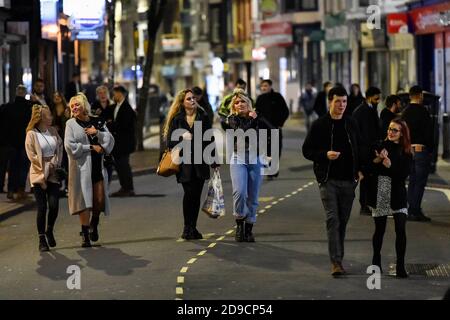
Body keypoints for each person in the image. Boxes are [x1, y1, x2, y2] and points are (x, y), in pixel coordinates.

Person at [302, 86, 364, 276]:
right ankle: (336, 262)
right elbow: (307, 151)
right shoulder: (319, 125)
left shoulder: (351, 123)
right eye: (338, 101)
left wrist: (360, 170)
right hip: (327, 180)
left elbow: (359, 147)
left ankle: (339, 257)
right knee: (333, 220)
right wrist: (324, 155)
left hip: (349, 181)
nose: (342, 105)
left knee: (342, 222)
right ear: (330, 101)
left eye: (344, 101)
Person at [163, 89, 217, 240]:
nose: (192, 101)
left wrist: (214, 161)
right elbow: (169, 142)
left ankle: (193, 227)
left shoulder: (203, 116)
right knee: (189, 194)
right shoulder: (177, 119)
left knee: (196, 195)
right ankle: (187, 227)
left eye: (193, 98)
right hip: (184, 163)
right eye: (188, 99)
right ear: (182, 102)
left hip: (200, 162)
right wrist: (182, 137)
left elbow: (209, 139)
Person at [65, 93, 115, 247]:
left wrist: (97, 133)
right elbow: (69, 146)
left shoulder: (97, 121)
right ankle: (85, 235)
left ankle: (94, 222)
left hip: (97, 167)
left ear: (84, 105)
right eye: (72, 106)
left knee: (99, 201)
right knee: (84, 203)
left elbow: (110, 140)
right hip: (81, 169)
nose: (74, 108)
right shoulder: (70, 124)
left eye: (76, 104)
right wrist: (90, 147)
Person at [367, 118, 411, 278]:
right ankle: (376, 260)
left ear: (402, 133)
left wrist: (390, 165)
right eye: (390, 129)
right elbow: (369, 169)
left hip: (398, 191)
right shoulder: (379, 146)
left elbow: (403, 175)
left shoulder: (406, 151)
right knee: (380, 229)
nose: (391, 132)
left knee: (401, 229)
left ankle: (400, 265)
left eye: (395, 130)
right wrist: (378, 160)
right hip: (382, 188)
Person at [226, 91, 272, 242]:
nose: (240, 105)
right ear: (234, 106)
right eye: (237, 103)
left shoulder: (258, 118)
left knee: (253, 197)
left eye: (242, 102)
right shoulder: (232, 119)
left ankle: (249, 228)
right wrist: (253, 120)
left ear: (248, 104)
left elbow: (271, 131)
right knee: (239, 193)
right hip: (238, 158)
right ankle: (239, 223)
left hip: (255, 158)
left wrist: (268, 151)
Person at [25, 105, 63, 252]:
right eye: (48, 116)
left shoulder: (53, 131)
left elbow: (59, 147)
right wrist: (44, 168)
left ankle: (49, 230)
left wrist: (55, 162)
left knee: (54, 205)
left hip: (53, 172)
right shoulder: (31, 134)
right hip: (38, 174)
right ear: (40, 117)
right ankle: (41, 239)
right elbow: (32, 156)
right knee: (42, 207)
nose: (51, 118)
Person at [401, 85, 433, 222]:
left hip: (408, 150)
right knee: (420, 181)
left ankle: (411, 209)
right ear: (420, 95)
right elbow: (429, 132)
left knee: (412, 180)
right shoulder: (423, 111)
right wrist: (430, 149)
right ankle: (415, 210)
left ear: (409, 96)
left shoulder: (405, 112)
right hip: (421, 150)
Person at [352, 86, 382, 215]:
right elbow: (366, 133)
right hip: (365, 151)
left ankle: (368, 204)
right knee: (365, 179)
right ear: (369, 97)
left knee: (370, 179)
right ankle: (364, 205)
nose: (379, 100)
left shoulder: (369, 109)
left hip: (369, 149)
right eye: (376, 98)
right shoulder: (363, 111)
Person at [3, 85, 33, 200]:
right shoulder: (28, 107)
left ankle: (11, 190)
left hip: (12, 142)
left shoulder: (8, 107)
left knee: (13, 166)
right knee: (23, 166)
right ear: (25, 93)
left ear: (16, 93)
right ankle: (20, 190)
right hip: (24, 141)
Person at [255, 79, 289, 179]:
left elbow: (285, 111)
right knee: (264, 150)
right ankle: (268, 168)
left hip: (275, 128)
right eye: (262, 86)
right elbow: (256, 114)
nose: (263, 88)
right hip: (263, 129)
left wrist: (280, 123)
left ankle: (273, 170)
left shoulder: (277, 97)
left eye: (265, 86)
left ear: (270, 86)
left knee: (276, 150)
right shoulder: (260, 99)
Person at [109, 85, 137, 197]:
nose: (113, 95)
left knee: (124, 165)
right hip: (118, 143)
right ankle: (124, 187)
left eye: (115, 93)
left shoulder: (126, 108)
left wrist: (111, 124)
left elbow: (123, 125)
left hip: (124, 143)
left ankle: (129, 188)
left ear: (120, 94)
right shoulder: (116, 106)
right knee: (119, 166)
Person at [52, 92, 71, 196]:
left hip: (66, 139)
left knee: (67, 163)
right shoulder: (52, 110)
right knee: (58, 163)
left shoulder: (67, 109)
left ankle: (68, 187)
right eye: (54, 97)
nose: (56, 98)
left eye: (58, 96)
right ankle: (59, 186)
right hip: (56, 140)